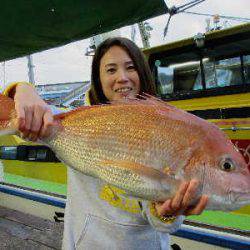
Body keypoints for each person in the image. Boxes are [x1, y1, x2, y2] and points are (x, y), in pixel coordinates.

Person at [3, 37, 208, 250]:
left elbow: (161, 221)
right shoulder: (70, 121)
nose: (122, 78)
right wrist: (22, 88)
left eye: (130, 67)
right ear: (98, 79)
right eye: (111, 70)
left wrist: (165, 213)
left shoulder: (166, 129)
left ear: (142, 72)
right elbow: (27, 110)